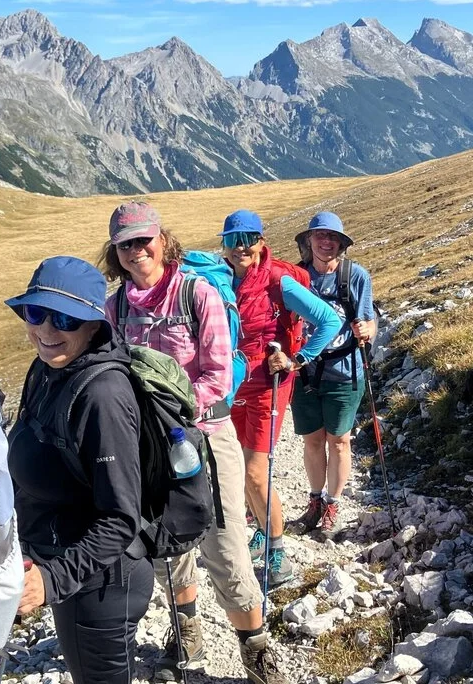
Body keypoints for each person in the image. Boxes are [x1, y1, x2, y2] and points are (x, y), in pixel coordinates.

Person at [100, 202, 288, 684]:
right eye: (125, 244)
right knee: (168, 545)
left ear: (162, 240)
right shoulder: (115, 307)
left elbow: (218, 376)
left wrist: (168, 415)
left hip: (205, 438)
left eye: (143, 240)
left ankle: (256, 651)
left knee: (225, 546)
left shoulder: (196, 293)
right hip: (149, 449)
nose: (136, 251)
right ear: (115, 251)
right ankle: (186, 633)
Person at [6, 256, 150, 684]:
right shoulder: (46, 368)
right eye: (36, 313)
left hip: (102, 584)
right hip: (69, 567)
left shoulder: (102, 396)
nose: (47, 330)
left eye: (66, 318)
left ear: (93, 326)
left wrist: (51, 581)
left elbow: (121, 518)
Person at [221, 209, 341, 587]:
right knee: (239, 468)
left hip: (268, 387)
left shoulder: (279, 282)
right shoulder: (219, 278)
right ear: (224, 244)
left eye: (248, 239)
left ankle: (278, 553)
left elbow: (329, 321)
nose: (240, 247)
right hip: (233, 387)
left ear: (261, 241)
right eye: (232, 240)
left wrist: (297, 359)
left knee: (255, 472)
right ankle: (261, 528)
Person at [288, 212, 377, 539]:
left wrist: (368, 331)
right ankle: (315, 501)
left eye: (333, 237)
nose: (326, 242)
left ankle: (333, 505)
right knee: (313, 440)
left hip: (345, 372)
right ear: (309, 240)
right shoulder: (296, 277)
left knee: (339, 441)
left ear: (341, 243)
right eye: (320, 236)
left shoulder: (356, 276)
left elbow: (369, 321)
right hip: (304, 374)